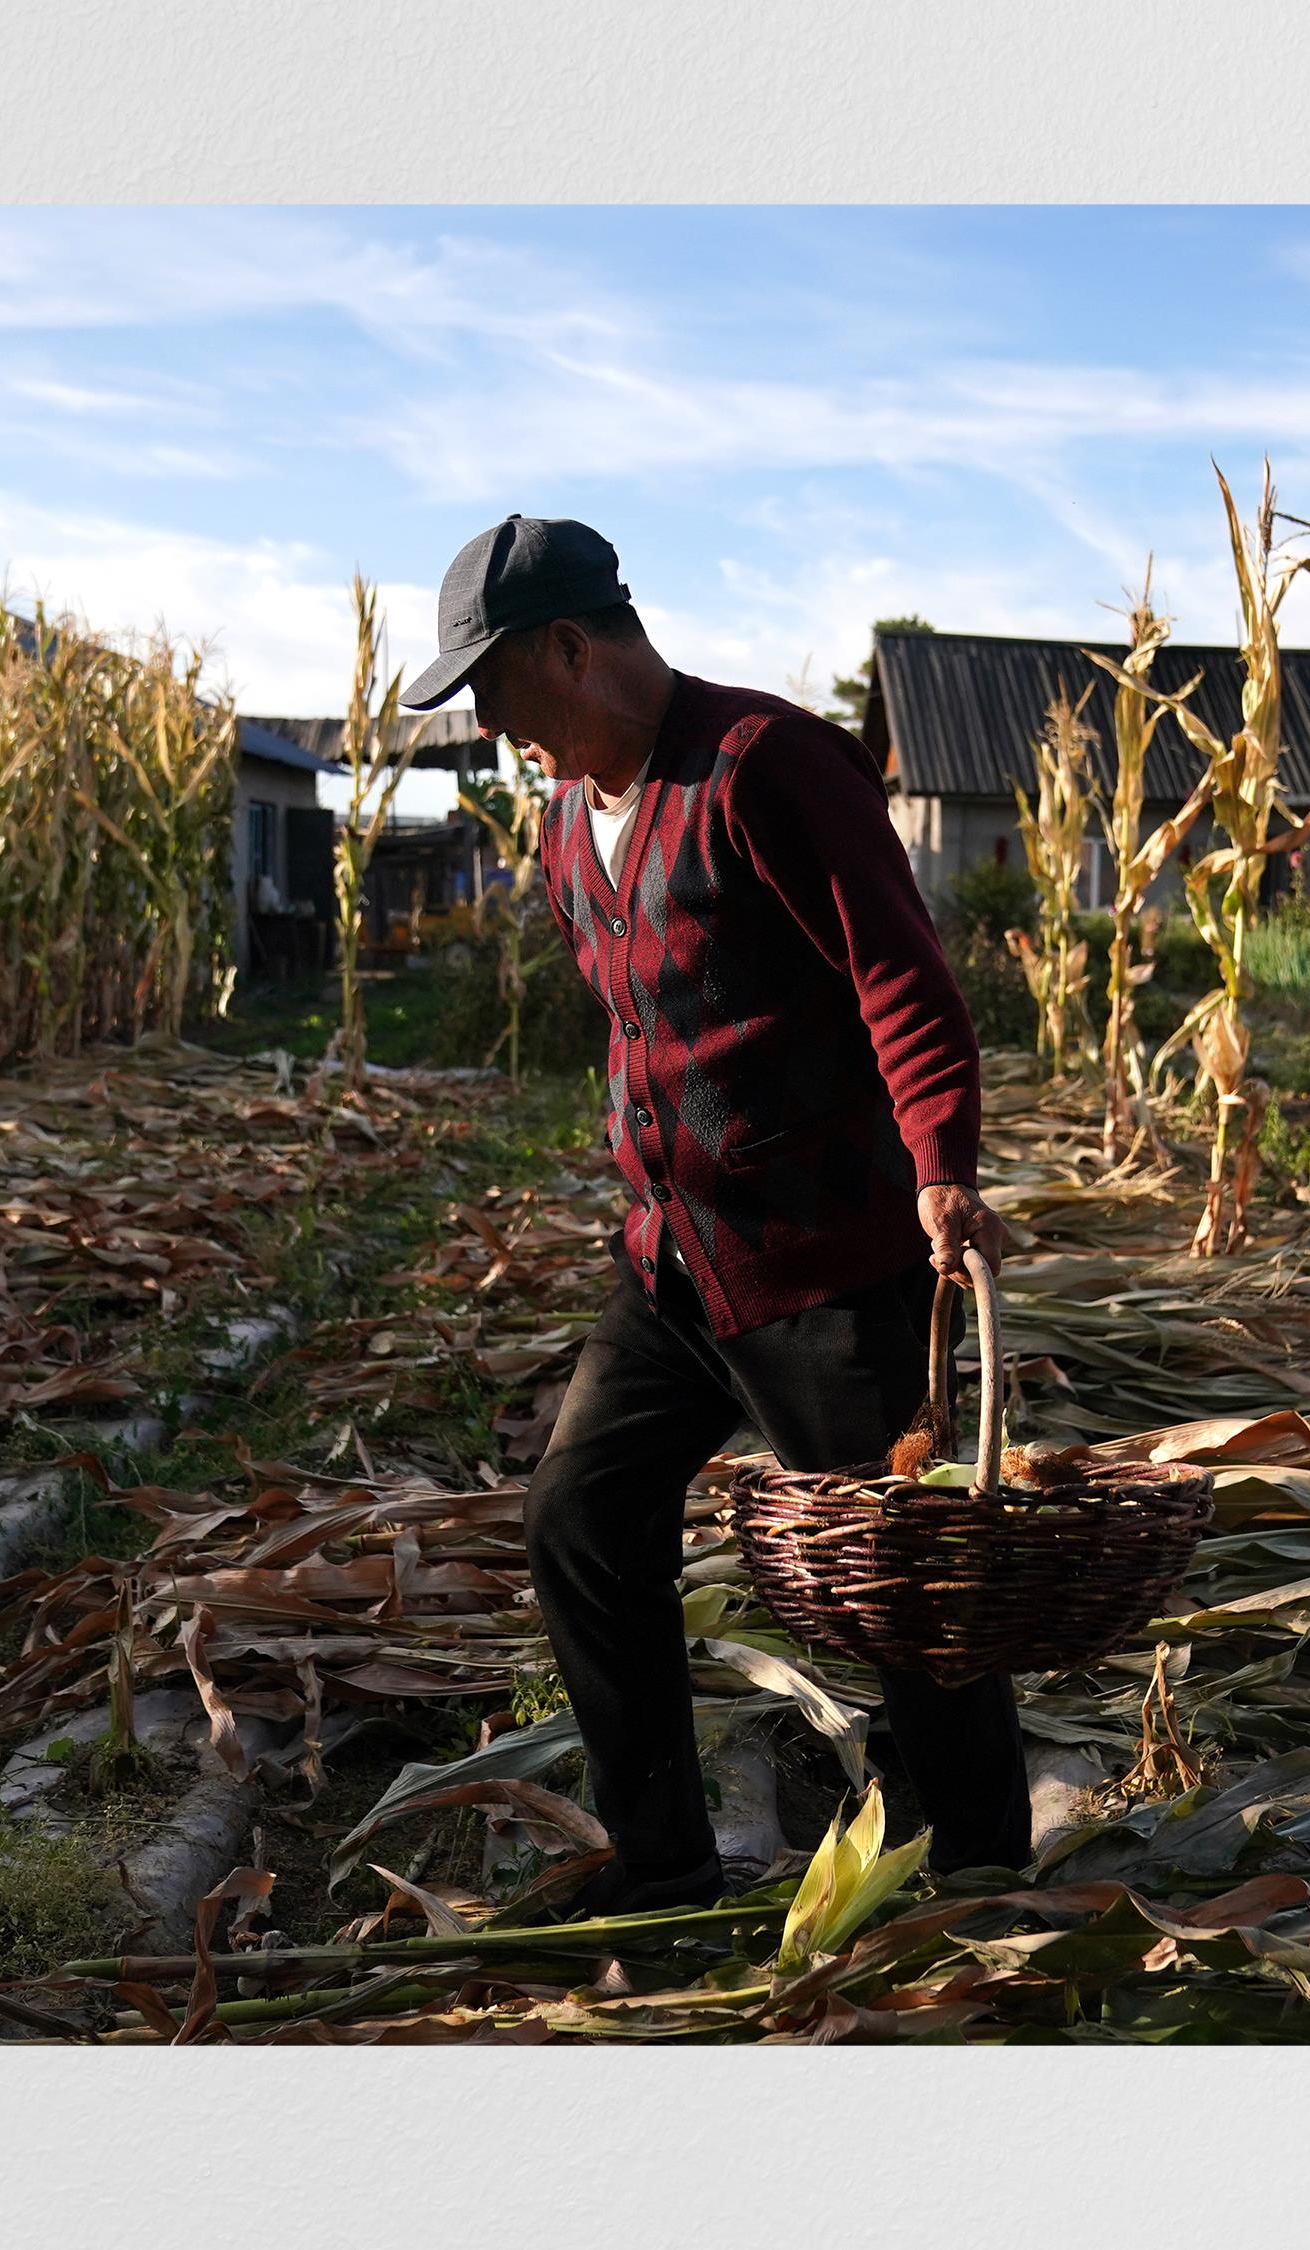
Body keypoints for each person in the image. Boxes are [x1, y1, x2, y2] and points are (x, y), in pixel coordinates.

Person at [400, 514, 1024, 1913]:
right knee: (578, 1511)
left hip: (825, 1263)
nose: (498, 733)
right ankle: (666, 1860)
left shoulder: (768, 768)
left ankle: (992, 1881)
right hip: (677, 1272)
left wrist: (940, 1161)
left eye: (496, 692)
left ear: (571, 646)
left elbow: (902, 976)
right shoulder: (568, 829)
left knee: (903, 1589)